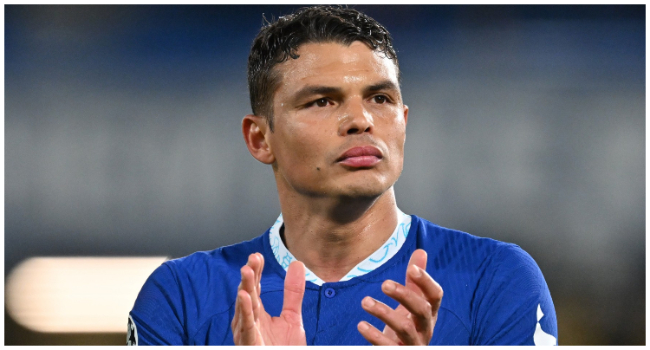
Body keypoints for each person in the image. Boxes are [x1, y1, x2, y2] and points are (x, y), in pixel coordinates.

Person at [128, 5, 558, 346]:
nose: (361, 120)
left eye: (381, 98)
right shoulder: (181, 298)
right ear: (260, 139)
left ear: (404, 121)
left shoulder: (496, 281)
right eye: (322, 102)